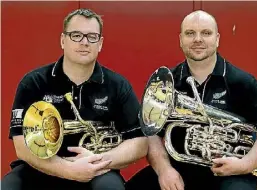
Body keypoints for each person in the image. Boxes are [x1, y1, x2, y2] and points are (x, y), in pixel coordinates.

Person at [125, 10, 257, 190]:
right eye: (190, 33)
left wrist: (246, 164)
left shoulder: (241, 81)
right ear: (180, 39)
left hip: (232, 169)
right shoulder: (167, 82)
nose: (198, 39)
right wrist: (164, 170)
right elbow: (151, 132)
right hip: (180, 168)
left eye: (206, 33)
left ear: (217, 39)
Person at [2, 8, 148, 190]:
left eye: (92, 37)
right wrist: (69, 170)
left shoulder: (118, 85)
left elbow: (140, 142)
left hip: (97, 169)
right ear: (63, 40)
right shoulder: (33, 82)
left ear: (100, 43)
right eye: (76, 35)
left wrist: (99, 160)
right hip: (42, 167)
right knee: (9, 186)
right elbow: (22, 145)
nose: (84, 42)